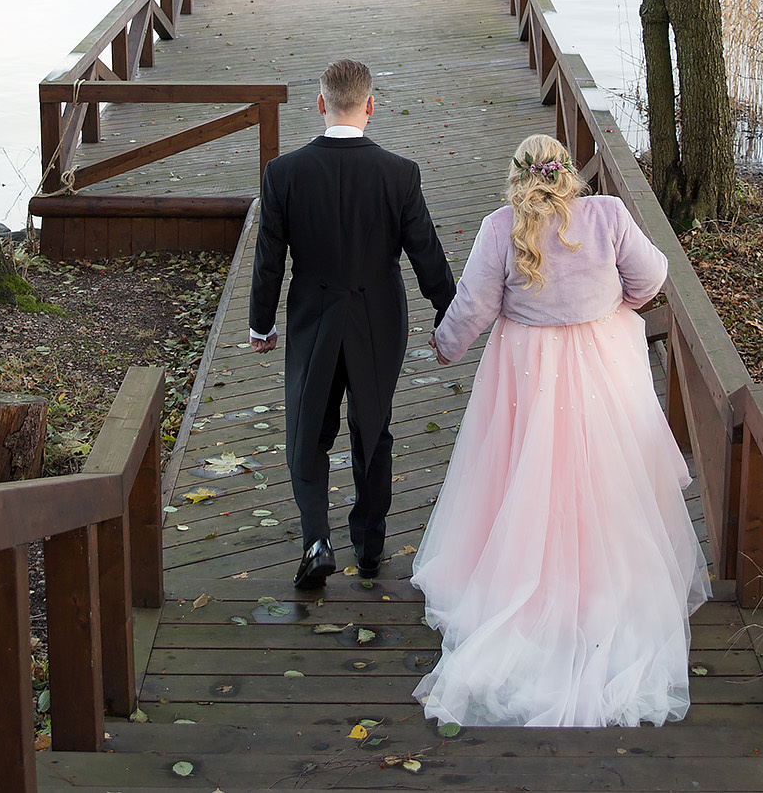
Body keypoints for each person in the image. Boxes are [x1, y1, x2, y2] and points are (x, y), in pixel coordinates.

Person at [411, 133, 708, 727]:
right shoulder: (609, 215)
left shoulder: (501, 228)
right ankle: (605, 588)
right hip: (603, 362)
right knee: (602, 472)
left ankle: (526, 583)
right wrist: (612, 299)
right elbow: (652, 279)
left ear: (517, 175)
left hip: (528, 372)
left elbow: (474, 304)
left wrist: (446, 347)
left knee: (528, 473)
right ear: (567, 170)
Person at [250, 57, 457, 591]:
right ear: (371, 106)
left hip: (312, 319)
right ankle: (369, 548)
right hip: (378, 319)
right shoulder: (399, 173)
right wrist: (448, 312)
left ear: (321, 104)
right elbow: (425, 252)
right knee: (372, 430)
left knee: (308, 430)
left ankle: (316, 540)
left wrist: (260, 324)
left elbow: (269, 258)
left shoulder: (284, 173)